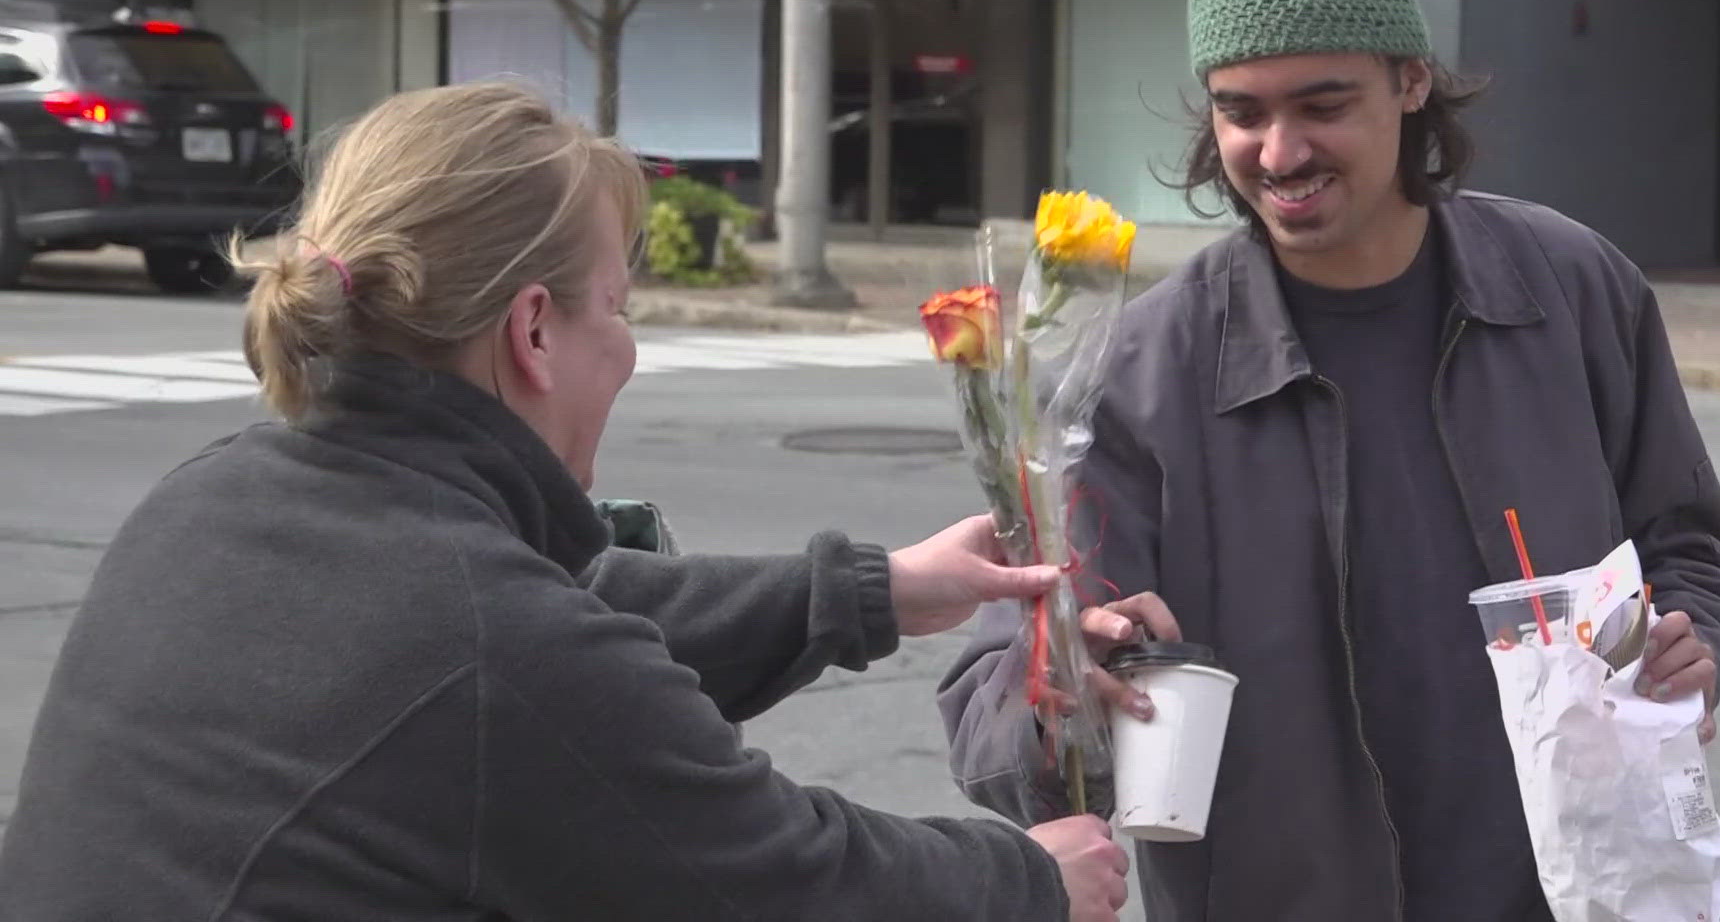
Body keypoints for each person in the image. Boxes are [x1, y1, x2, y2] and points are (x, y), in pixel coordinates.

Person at [0, 82, 1130, 922]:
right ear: (534, 331)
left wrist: (878, 590)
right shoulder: (487, 641)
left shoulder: (220, 497)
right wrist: (1033, 880)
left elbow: (580, 619)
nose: (627, 348)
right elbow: (782, 877)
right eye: (616, 306)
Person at [940, 0, 1720, 921]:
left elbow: (1686, 546)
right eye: (1243, 112)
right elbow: (998, 695)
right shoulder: (1139, 370)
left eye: (1323, 106)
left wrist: (1691, 642)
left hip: (1576, 891)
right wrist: (1059, 698)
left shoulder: (1572, 289)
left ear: (1411, 81)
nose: (1279, 154)